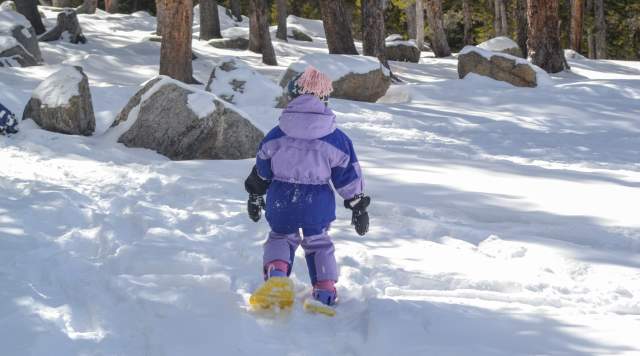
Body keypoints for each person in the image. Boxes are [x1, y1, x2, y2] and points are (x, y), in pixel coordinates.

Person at [244, 66, 370, 313]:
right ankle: (324, 290)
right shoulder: (336, 138)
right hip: (317, 200)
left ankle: (278, 276)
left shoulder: (277, 133)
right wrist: (357, 204)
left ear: (293, 97)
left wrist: (256, 192)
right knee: (318, 243)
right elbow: (348, 173)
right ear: (324, 99)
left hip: (281, 196)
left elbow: (262, 164)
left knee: (281, 237)